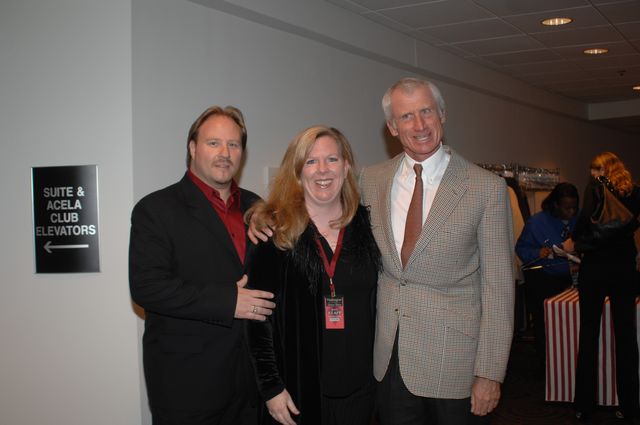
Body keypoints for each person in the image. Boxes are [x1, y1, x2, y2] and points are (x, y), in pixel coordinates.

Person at [359, 77, 514, 425]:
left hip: (456, 365)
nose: (420, 125)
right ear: (392, 127)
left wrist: (489, 373)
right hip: (390, 362)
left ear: (442, 114)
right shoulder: (371, 180)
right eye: (407, 116)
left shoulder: (485, 188)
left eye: (426, 111)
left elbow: (499, 289)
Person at [129, 105, 276, 425]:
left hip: (251, 384)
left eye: (233, 144)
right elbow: (147, 287)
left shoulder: (257, 207)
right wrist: (228, 301)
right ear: (193, 148)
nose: (225, 153)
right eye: (214, 143)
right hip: (187, 387)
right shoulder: (155, 210)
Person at [246, 125, 381, 425]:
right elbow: (257, 321)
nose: (322, 170)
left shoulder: (367, 226)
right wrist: (271, 388)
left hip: (362, 391)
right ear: (297, 172)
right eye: (310, 161)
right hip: (300, 392)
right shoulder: (275, 233)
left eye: (332, 159)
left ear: (346, 167)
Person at [573, 152, 640, 423]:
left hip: (595, 268)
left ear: (606, 169)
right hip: (624, 268)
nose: (592, 174)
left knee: (589, 333)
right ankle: (630, 406)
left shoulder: (594, 190)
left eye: (596, 169)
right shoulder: (635, 193)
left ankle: (585, 404)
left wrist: (580, 240)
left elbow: (581, 228)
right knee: (626, 336)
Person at [515, 182, 579, 363]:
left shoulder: (579, 219)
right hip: (544, 282)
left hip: (571, 279)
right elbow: (521, 248)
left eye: (574, 207)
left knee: (571, 325)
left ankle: (569, 361)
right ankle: (547, 364)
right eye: (567, 208)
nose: (571, 212)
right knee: (546, 327)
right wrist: (537, 253)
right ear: (556, 205)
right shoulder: (536, 222)